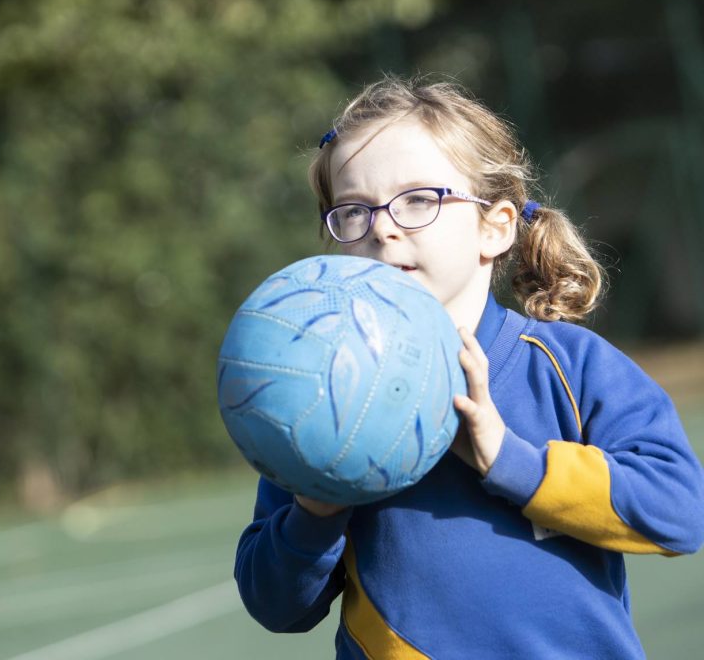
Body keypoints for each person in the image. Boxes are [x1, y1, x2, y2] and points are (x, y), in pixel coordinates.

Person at [233, 76, 704, 659]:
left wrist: (507, 457)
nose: (382, 225)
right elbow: (275, 605)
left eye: (418, 200)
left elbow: (678, 513)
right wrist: (318, 507)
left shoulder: (569, 366)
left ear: (495, 225)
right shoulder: (318, 397)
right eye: (353, 210)